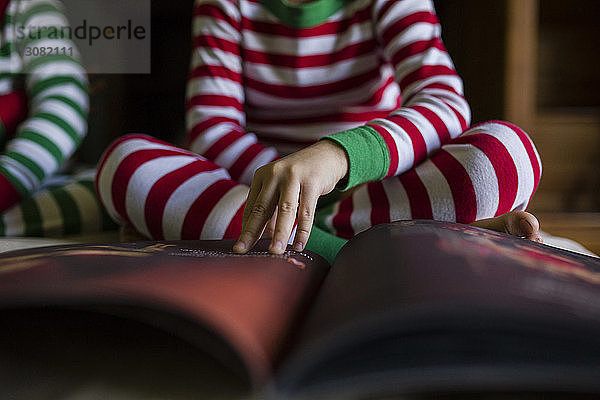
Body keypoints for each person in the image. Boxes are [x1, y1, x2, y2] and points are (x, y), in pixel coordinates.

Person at [96, 0, 542, 264]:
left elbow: (444, 103)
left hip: (369, 186)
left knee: (507, 154)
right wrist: (289, 186)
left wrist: (339, 157)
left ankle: (315, 235)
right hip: (263, 190)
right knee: (125, 163)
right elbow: (212, 129)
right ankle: (354, 248)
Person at [0, 0, 114, 237]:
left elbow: (64, 104)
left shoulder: (27, 8)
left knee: (112, 192)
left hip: (32, 180)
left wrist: (8, 180)